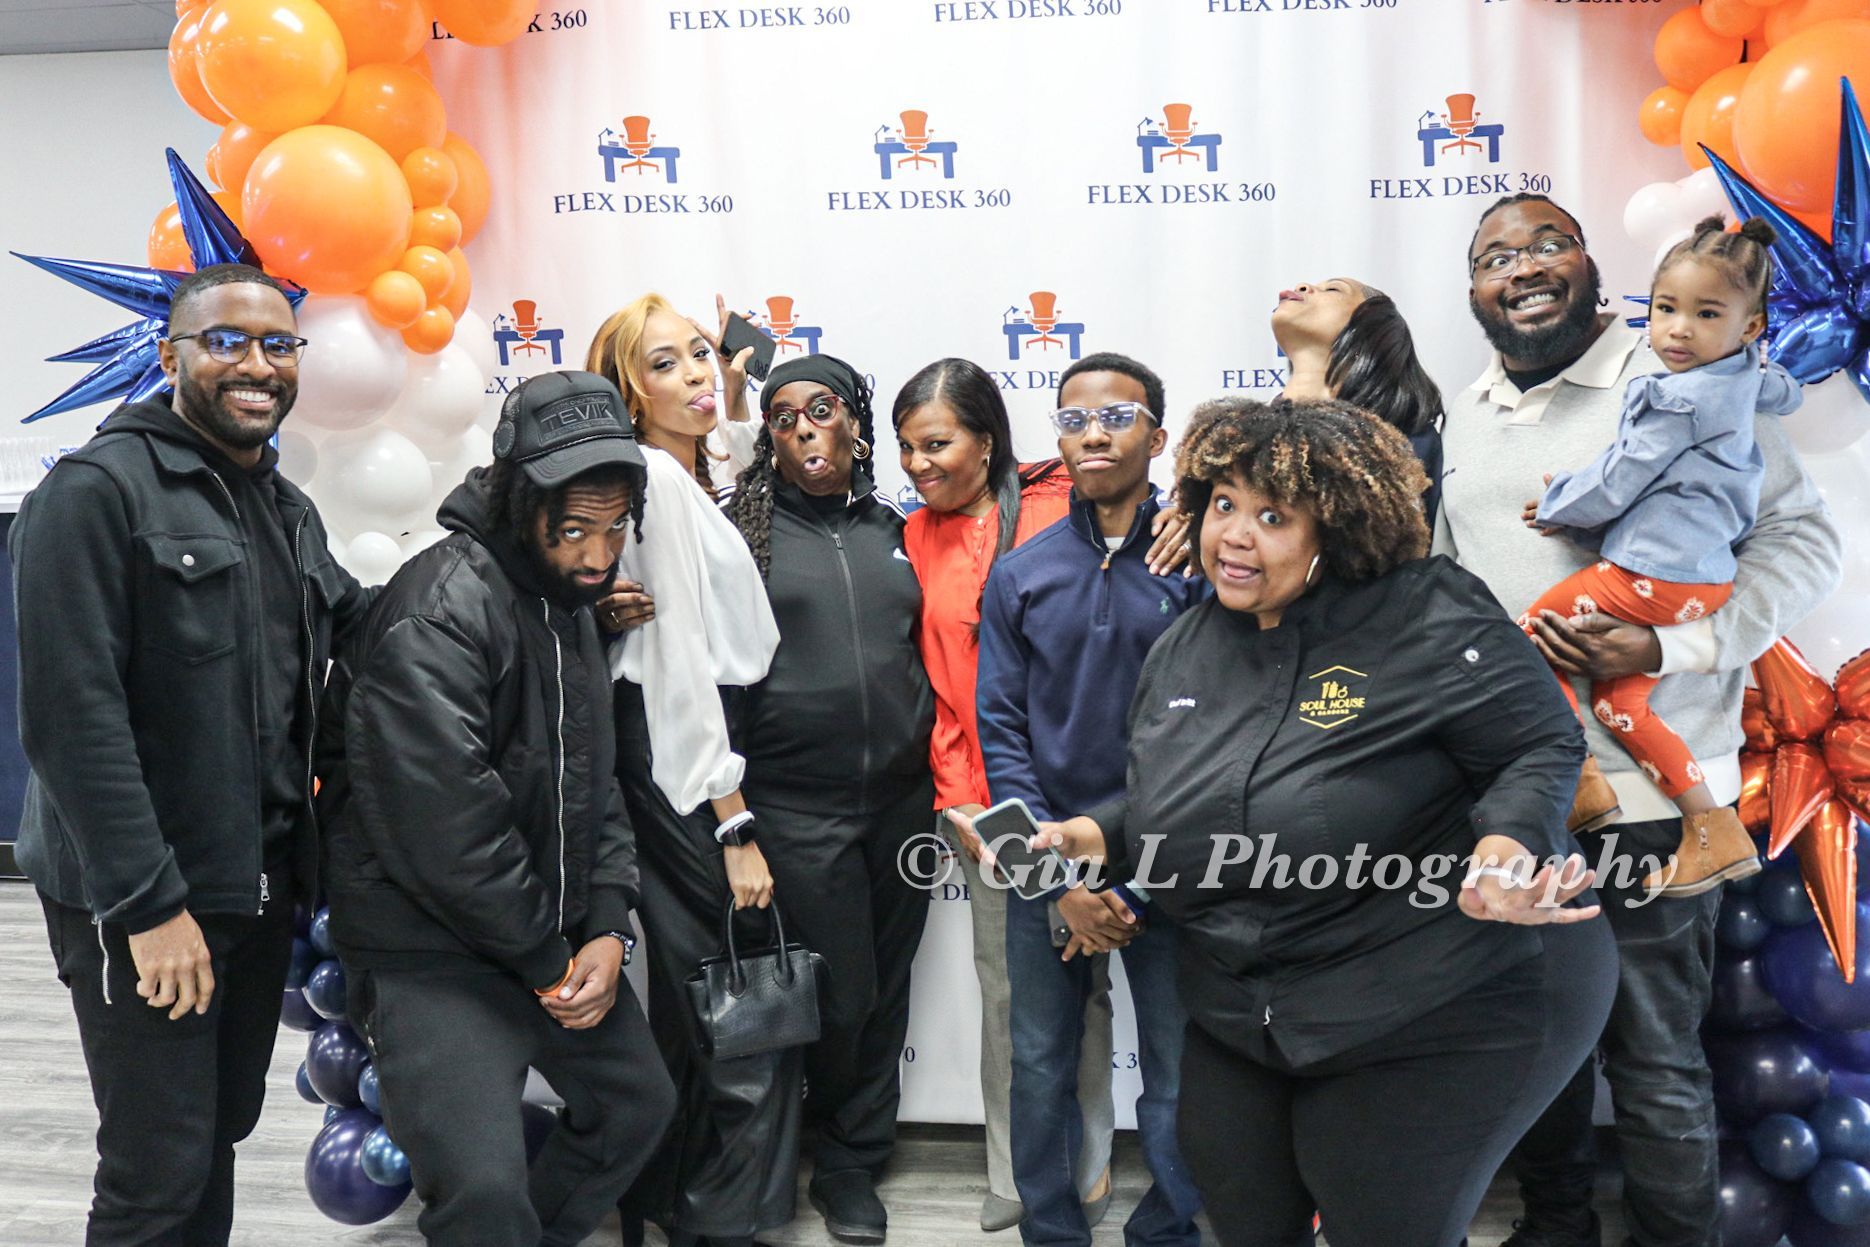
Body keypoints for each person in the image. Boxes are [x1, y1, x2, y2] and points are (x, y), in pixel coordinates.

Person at [964, 397, 1619, 1247]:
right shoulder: (1186, 642)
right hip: (1246, 1003)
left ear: (1337, 528)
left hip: (1437, 992)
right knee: (1242, 1213)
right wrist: (1085, 837)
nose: (1234, 535)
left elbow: (1538, 741)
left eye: (1273, 516)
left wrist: (1503, 848)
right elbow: (1178, 795)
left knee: (1382, 1220)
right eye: (1223, 505)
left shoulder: (1427, 611)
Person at [1437, 193, 1841, 1247]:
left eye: (1544, 243)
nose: (1519, 266)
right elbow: (1446, 589)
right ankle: (1557, 1225)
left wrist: (1669, 647)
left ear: (1587, 265)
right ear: (1472, 291)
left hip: (1651, 796)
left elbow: (1802, 546)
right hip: (1518, 797)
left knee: (1654, 1056)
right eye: (1492, 256)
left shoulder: (1686, 370)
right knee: (1537, 1047)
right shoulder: (1467, 410)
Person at [11, 262, 373, 1245]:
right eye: (227, 341)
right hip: (148, 896)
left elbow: (365, 628)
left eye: (276, 343)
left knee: (215, 1131)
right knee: (156, 1164)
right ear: (171, 355)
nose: (256, 363)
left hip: (249, 882)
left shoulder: (282, 506)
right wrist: (148, 906)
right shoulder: (96, 493)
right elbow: (71, 721)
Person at [317, 370, 676, 1246]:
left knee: (636, 1103)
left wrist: (606, 924)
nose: (598, 555)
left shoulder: (572, 606)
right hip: (432, 949)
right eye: (575, 530)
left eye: (614, 528)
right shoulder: (440, 609)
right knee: (480, 1192)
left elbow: (599, 789)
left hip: (538, 935)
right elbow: (448, 832)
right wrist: (550, 958)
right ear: (522, 501)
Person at [976, 352, 1207, 1247]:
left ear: (1158, 434)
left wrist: (1130, 885)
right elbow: (1000, 732)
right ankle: (1052, 1229)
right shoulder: (1022, 573)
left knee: (1180, 1072)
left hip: (1171, 863)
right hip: (1047, 866)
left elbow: (1207, 736)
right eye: (1074, 419)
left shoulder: (1199, 565)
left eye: (1118, 415)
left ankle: (1169, 1227)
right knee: (1037, 1064)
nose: (1094, 433)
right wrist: (1055, 879)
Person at [586, 294, 788, 1247]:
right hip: (680, 752)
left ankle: (662, 1200)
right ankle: (692, 1209)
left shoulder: (679, 471)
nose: (699, 374)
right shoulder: (656, 488)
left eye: (702, 354)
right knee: (710, 990)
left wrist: (732, 390)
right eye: (666, 363)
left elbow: (734, 460)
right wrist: (733, 820)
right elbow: (679, 673)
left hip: (685, 747)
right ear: (630, 388)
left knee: (690, 989)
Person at [723, 353, 936, 1244]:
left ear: (855, 419)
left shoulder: (900, 528)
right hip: (795, 806)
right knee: (841, 993)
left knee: (886, 991)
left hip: (901, 800)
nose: (803, 428)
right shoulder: (743, 534)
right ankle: (834, 1157)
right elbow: (714, 688)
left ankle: (861, 1151)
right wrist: (733, 821)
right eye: (781, 418)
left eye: (820, 409)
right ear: (767, 438)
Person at [893, 355, 1109, 1232]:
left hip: (1093, 798)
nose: (918, 464)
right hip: (989, 808)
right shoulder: (915, 535)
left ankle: (1088, 1166)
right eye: (907, 448)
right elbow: (944, 689)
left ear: (988, 442)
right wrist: (961, 803)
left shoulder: (1067, 509)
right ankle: (1018, 1174)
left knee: (1088, 986)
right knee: (1013, 996)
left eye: (936, 443)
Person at [1521, 216, 1793, 899]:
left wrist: (1558, 505)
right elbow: (1785, 390)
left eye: (1706, 314)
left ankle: (1578, 775)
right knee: (1621, 702)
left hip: (1655, 576)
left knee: (1530, 638)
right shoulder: (1746, 376)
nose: (1677, 330)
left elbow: (1619, 477)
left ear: (1752, 325)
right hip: (1699, 583)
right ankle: (1711, 829)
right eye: (1666, 309)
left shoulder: (1678, 397)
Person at [1271, 276, 1445, 522]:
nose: (1301, 287)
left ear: (1372, 328)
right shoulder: (1243, 436)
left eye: (1333, 289)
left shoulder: (1408, 444)